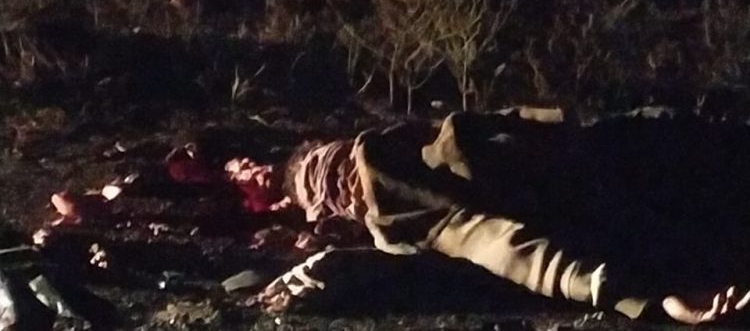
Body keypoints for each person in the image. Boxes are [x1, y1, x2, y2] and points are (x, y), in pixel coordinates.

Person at [222, 110, 750, 324]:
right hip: (642, 161)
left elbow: (505, 248)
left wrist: (645, 301)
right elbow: (505, 247)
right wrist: (649, 300)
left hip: (641, 182)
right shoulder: (404, 171)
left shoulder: (395, 187)